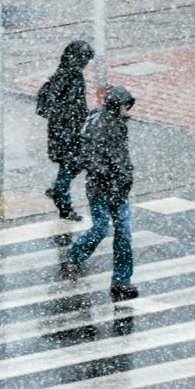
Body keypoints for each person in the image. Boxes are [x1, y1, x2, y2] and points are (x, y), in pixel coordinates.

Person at [64, 86, 138, 302]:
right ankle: (74, 256)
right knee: (100, 229)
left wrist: (123, 175)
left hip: (119, 189)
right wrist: (112, 174)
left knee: (123, 234)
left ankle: (121, 280)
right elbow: (91, 158)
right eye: (126, 105)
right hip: (102, 190)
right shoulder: (99, 126)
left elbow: (120, 156)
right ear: (117, 106)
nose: (128, 109)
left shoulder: (118, 124)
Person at [37, 40, 95, 221]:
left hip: (66, 130)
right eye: (85, 59)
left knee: (71, 166)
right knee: (70, 167)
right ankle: (63, 204)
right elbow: (66, 106)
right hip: (67, 132)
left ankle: (58, 191)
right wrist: (76, 123)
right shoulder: (68, 76)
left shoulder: (67, 73)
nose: (86, 64)